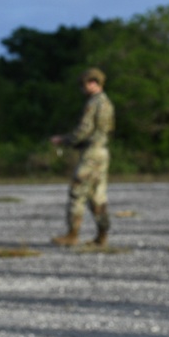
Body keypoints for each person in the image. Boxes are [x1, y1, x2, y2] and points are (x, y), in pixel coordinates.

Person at [49, 67, 114, 247]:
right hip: (103, 151)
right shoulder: (107, 102)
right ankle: (102, 236)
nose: (82, 89)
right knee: (97, 196)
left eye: (83, 85)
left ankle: (72, 234)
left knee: (77, 192)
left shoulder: (93, 103)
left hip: (91, 153)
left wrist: (64, 140)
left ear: (93, 83)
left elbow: (84, 130)